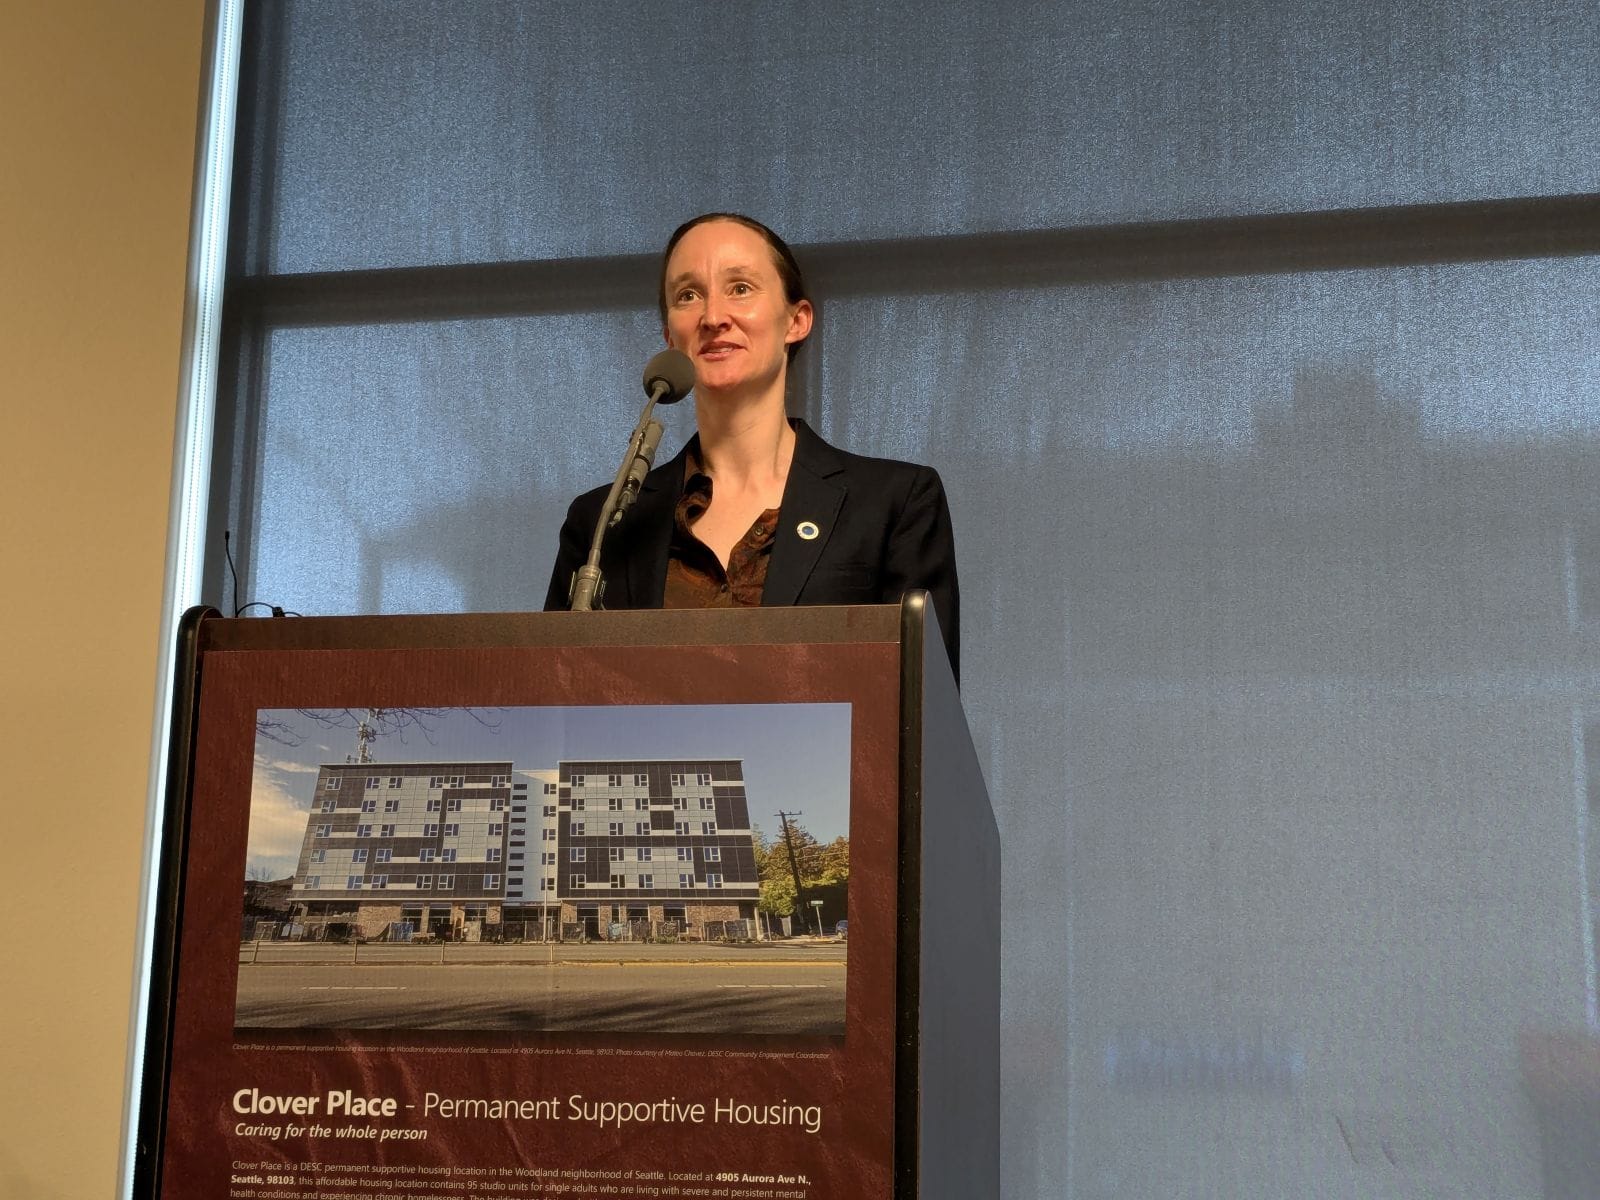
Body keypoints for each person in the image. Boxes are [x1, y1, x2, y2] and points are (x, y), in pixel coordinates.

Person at [544, 212, 959, 678]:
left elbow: (922, 718)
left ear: (796, 320)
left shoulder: (894, 505)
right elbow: (556, 713)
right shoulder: (604, 525)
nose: (713, 317)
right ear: (669, 338)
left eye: (740, 288)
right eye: (687, 295)